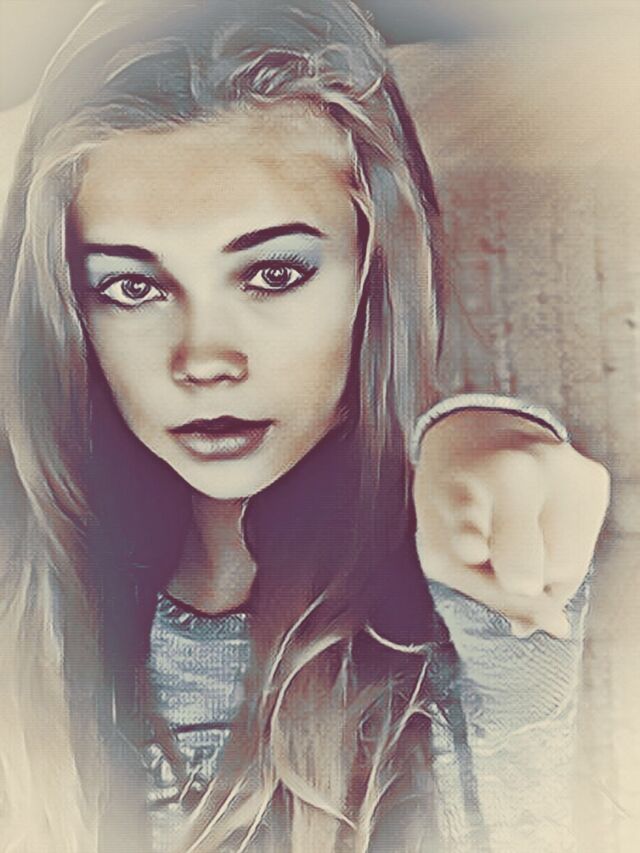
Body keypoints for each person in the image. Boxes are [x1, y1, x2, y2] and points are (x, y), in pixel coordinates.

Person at [0, 1, 609, 851]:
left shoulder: (449, 611)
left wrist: (483, 445)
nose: (203, 359)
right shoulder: (34, 608)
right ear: (70, 311)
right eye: (134, 287)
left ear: (376, 270)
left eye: (275, 273)